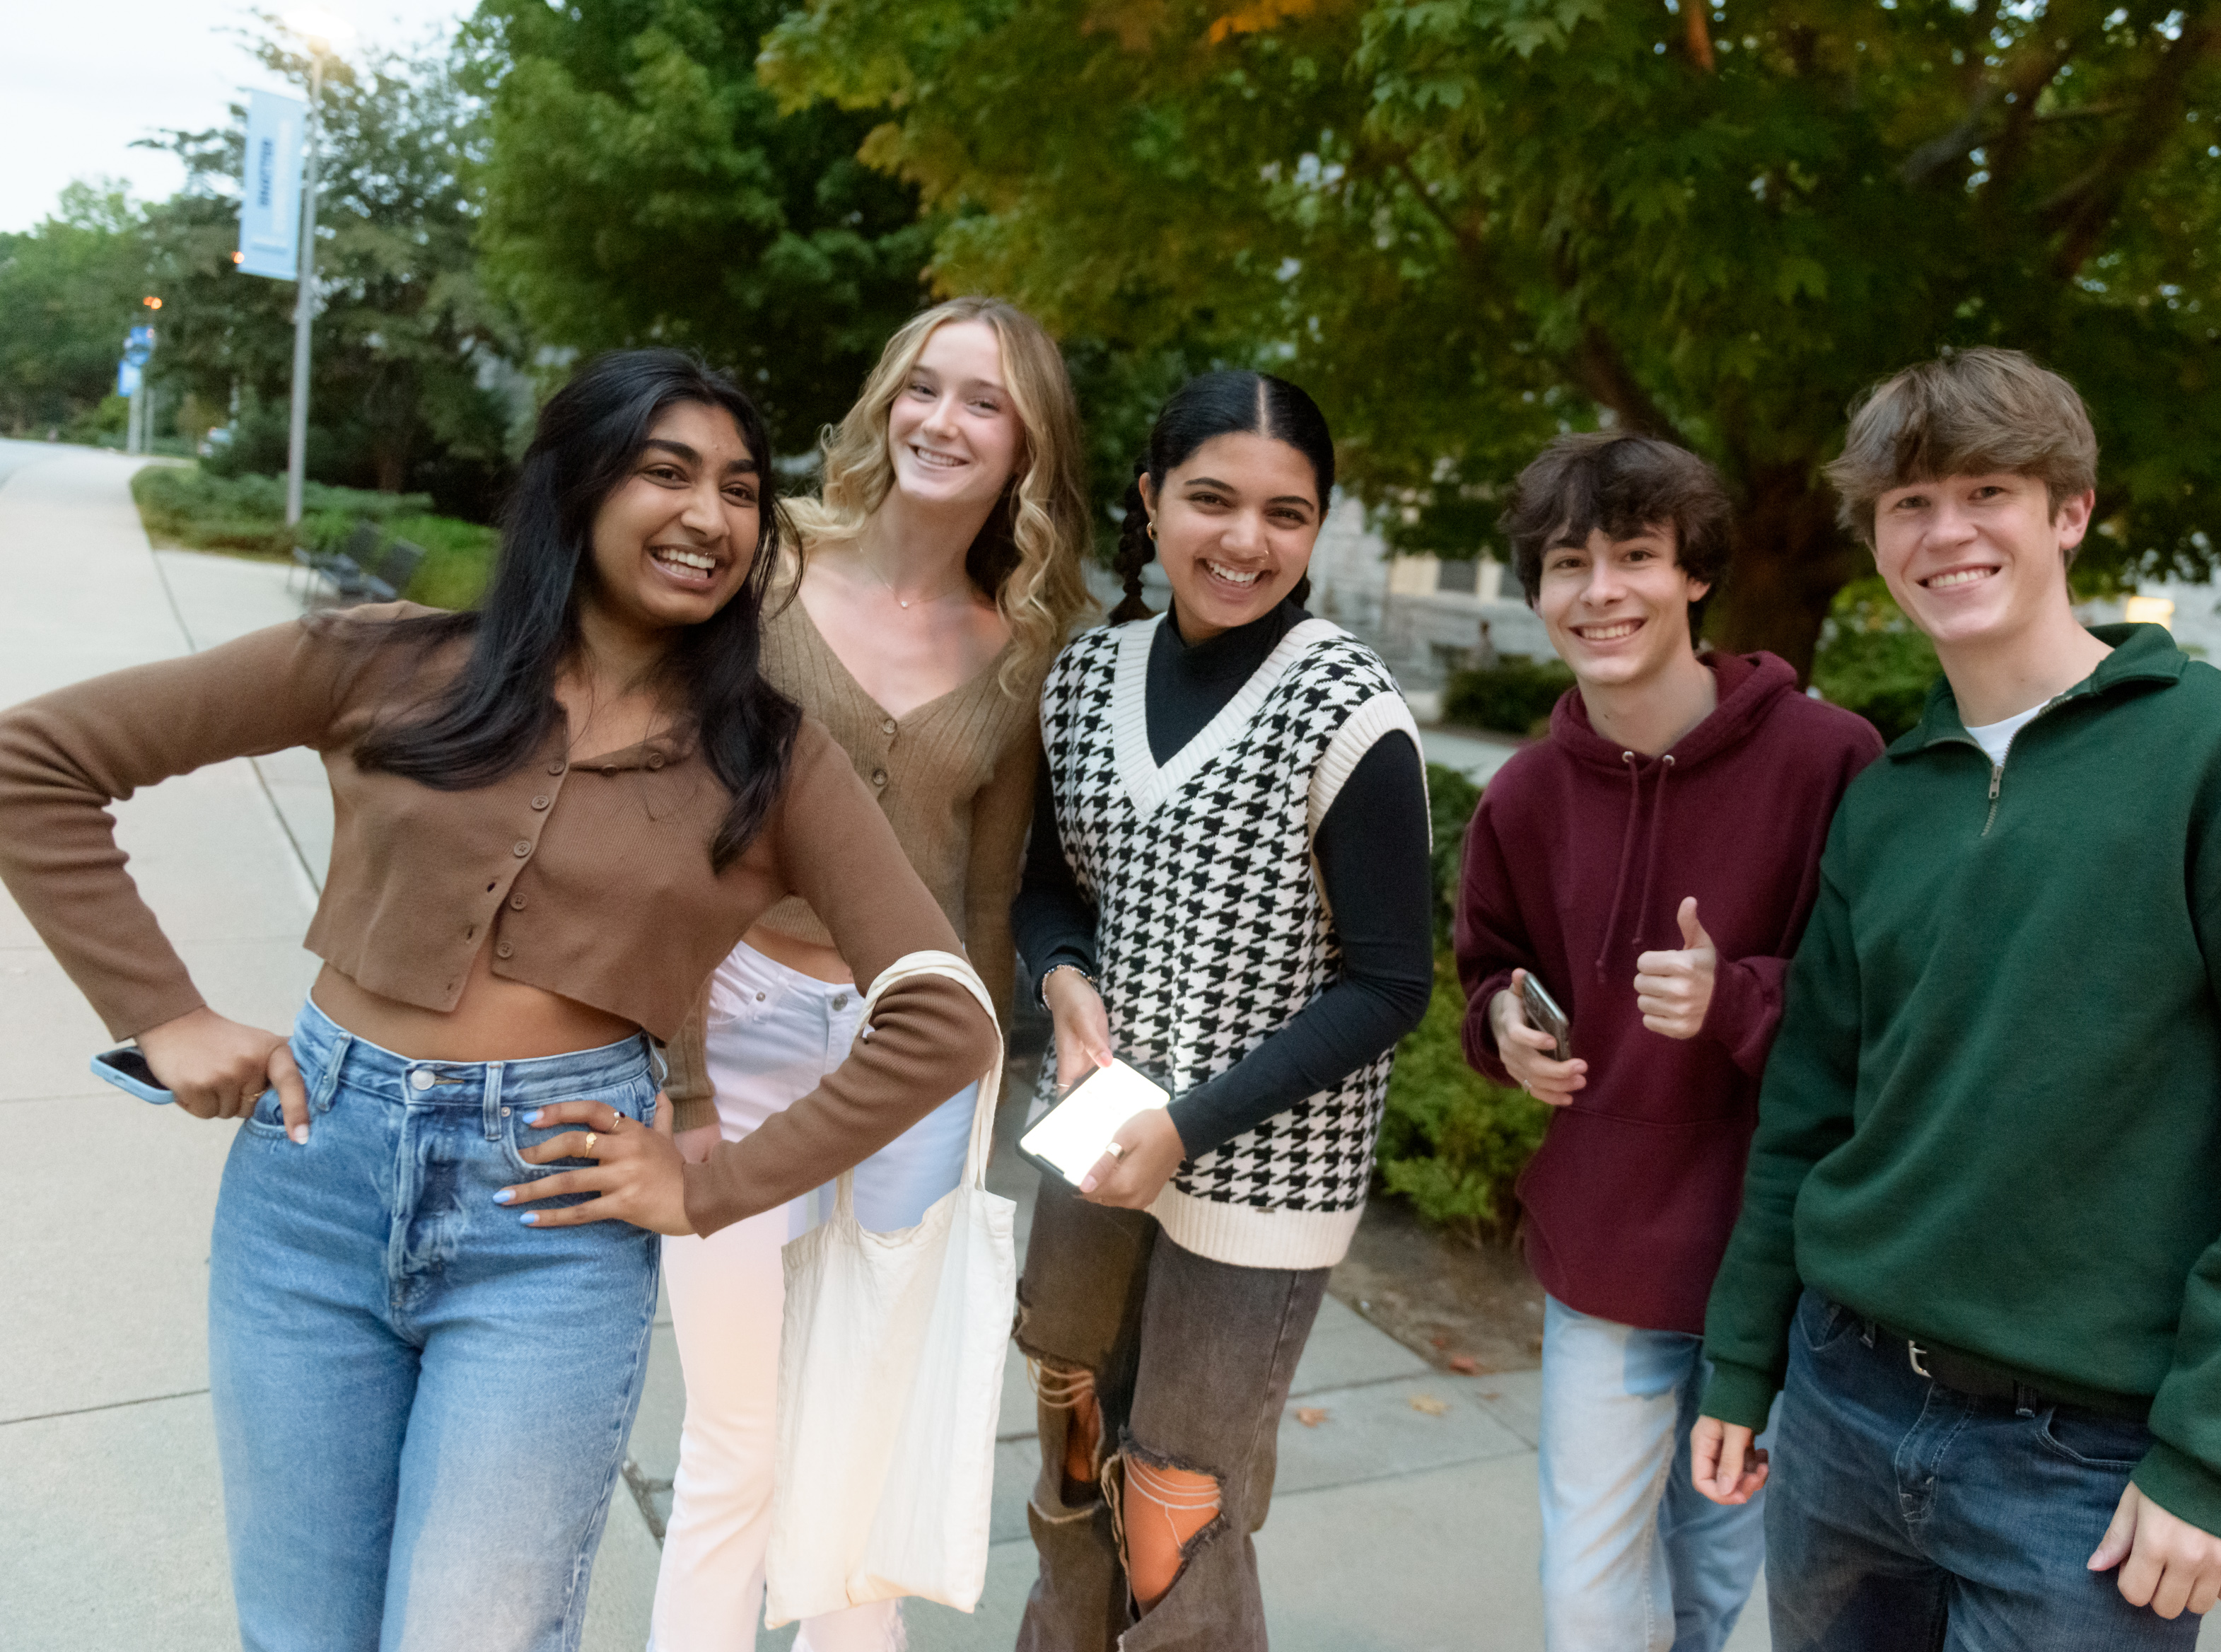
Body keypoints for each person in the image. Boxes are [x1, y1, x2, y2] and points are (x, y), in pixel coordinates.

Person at [0, 349, 998, 1652]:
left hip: (551, 1228)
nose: (711, 514)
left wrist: (712, 1188)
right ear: (575, 484)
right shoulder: (382, 661)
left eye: (744, 489)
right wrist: (164, 1013)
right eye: (666, 471)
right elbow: (36, 762)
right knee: (300, 1633)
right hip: (308, 1192)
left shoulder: (771, 756)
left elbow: (947, 1015)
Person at [1689, 348, 2221, 1649]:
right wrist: (1745, 1358)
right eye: (1909, 503)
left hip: (2085, 1463)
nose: (1946, 531)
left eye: (1988, 491)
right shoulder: (1888, 800)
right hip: (1844, 1407)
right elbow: (1808, 1110)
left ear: (2069, 511)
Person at [648, 297, 1092, 1652]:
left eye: (984, 402)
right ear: (886, 400)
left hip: (916, 1061)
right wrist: (678, 1079)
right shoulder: (766, 569)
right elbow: (660, 837)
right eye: (925, 387)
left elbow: (985, 888)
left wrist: (978, 1088)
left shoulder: (1024, 645)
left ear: (1025, 447)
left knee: (868, 1445)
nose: (942, 422)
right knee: (739, 1445)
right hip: (746, 1032)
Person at [1009, 370, 1433, 1650]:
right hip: (1091, 1144)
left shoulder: (1345, 707)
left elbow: (1389, 985)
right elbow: (1046, 893)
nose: (1246, 541)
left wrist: (1190, 1130)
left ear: (1317, 528)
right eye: (1211, 500)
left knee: (1174, 1515)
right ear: (1150, 501)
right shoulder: (1085, 677)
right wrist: (1065, 980)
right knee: (1073, 1468)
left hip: (1263, 1182)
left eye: (1286, 513)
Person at [1455, 431, 1881, 1651]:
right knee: (1592, 1593)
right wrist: (1501, 1029)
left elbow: (1887, 1000)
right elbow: (1489, 965)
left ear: (1695, 573)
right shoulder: (1526, 796)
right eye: (1567, 565)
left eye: (1635, 555)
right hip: (1611, 1256)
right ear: (1537, 593)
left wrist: (1740, 996)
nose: (1601, 592)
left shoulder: (1830, 759)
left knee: (1708, 1575)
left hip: (1785, 1251)